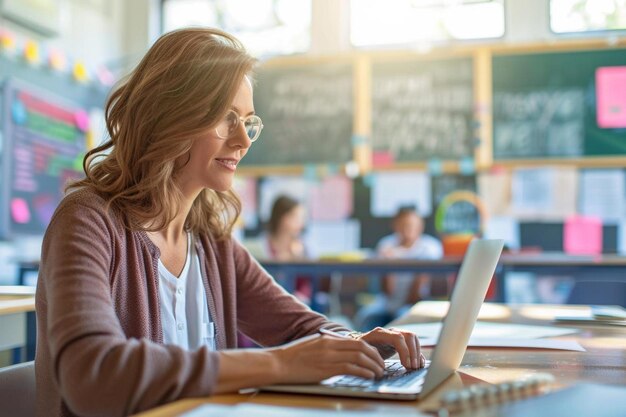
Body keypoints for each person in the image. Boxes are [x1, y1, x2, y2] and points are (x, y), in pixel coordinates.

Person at [35, 28, 424, 417]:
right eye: (226, 118)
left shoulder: (209, 240)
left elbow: (299, 328)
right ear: (169, 116)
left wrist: (356, 342)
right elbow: (92, 375)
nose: (243, 140)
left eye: (249, 122)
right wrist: (282, 364)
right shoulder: (87, 220)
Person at [355, 206, 443, 331]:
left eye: (411, 224)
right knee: (366, 316)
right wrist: (389, 265)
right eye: (403, 224)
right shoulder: (386, 245)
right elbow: (387, 291)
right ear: (395, 225)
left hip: (417, 302)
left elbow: (417, 293)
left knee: (402, 316)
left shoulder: (430, 247)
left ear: (420, 226)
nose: (408, 229)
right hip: (387, 302)